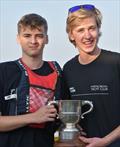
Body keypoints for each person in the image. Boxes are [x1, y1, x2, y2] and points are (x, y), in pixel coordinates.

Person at [0, 13, 65, 147]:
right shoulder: (4, 71)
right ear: (18, 39)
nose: (33, 41)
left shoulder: (58, 72)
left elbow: (62, 122)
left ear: (47, 39)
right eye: (27, 35)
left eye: (39, 36)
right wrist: (34, 117)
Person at [63, 4, 120, 147]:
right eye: (80, 30)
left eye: (92, 28)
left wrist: (105, 141)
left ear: (98, 30)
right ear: (71, 34)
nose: (87, 35)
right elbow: (68, 115)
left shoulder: (116, 62)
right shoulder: (68, 69)